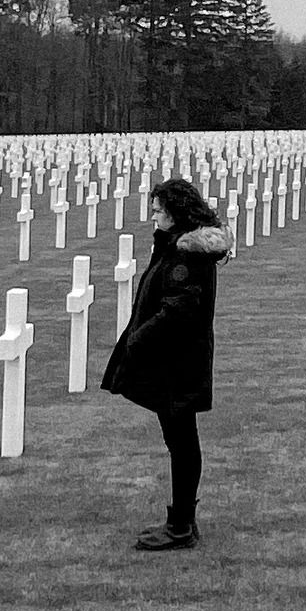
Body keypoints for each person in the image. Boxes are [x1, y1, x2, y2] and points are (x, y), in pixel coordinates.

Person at [101, 174, 231, 549]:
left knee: (182, 441)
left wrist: (138, 340)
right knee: (181, 440)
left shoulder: (185, 256)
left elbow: (178, 309)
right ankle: (183, 522)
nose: (153, 217)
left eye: (158, 211)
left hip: (177, 363)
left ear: (175, 213)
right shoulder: (179, 248)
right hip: (179, 360)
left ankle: (180, 528)